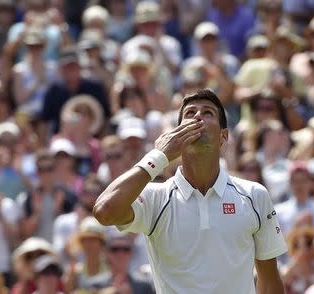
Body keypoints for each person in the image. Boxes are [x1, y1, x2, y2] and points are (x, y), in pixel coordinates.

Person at [93, 89, 288, 293]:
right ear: (176, 134)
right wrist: (158, 155)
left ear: (224, 136)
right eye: (190, 113)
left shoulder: (254, 195)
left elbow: (269, 280)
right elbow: (104, 211)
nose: (197, 116)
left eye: (207, 113)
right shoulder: (155, 197)